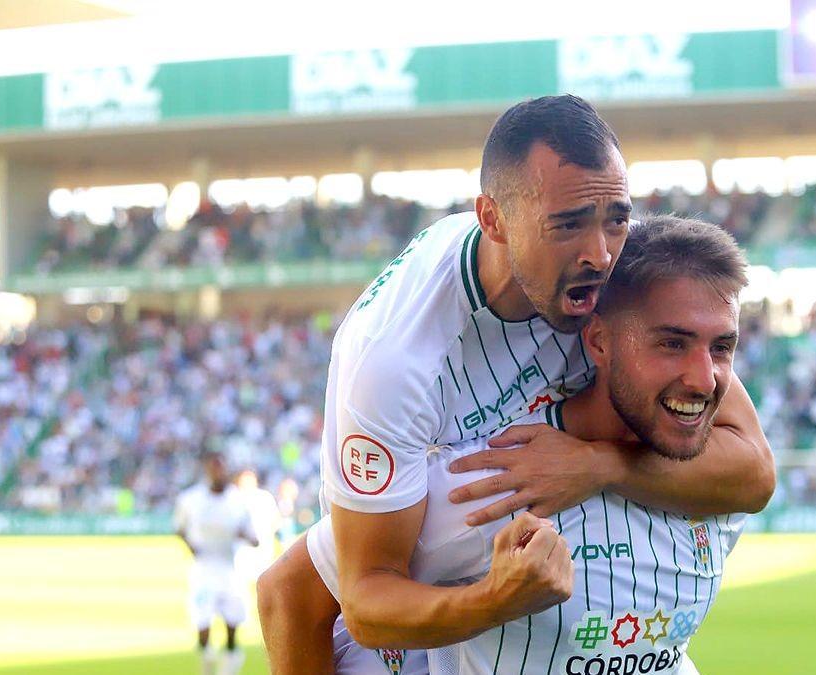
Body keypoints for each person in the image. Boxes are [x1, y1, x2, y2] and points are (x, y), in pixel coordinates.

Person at [258, 95, 773, 673]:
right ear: (494, 219)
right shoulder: (394, 361)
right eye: (569, 225)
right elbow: (322, 593)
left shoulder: (624, 285)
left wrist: (600, 466)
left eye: (617, 219)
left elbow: (753, 469)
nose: (601, 254)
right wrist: (496, 598)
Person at [307, 215, 751, 673]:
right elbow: (293, 593)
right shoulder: (503, 476)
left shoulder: (719, 480)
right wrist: (492, 600)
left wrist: (605, 466)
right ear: (599, 342)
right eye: (671, 344)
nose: (704, 379)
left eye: (722, 348)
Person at [174, 451, 259, 675]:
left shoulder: (238, 500)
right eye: (213, 468)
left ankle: (229, 670)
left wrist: (248, 537)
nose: (217, 472)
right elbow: (180, 529)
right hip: (203, 570)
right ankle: (208, 663)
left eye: (221, 468)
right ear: (207, 470)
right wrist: (190, 546)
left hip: (230, 570)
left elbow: (254, 535)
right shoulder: (191, 499)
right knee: (203, 625)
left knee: (232, 626)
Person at [234, 468, 282, 583]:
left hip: (263, 547)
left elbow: (276, 521)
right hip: (242, 550)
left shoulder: (264, 497)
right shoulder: (234, 499)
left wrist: (265, 535)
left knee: (263, 582)